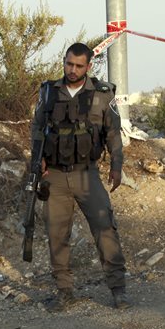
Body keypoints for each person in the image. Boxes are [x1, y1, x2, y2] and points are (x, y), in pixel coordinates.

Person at [32, 43, 128, 311]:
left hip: (87, 174)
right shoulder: (49, 91)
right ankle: (64, 291)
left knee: (105, 228)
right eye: (68, 64)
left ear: (88, 66)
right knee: (57, 235)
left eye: (78, 66)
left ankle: (118, 290)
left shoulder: (102, 94)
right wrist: (37, 158)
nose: (72, 70)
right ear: (64, 62)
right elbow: (37, 127)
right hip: (55, 176)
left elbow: (113, 133)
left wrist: (116, 166)